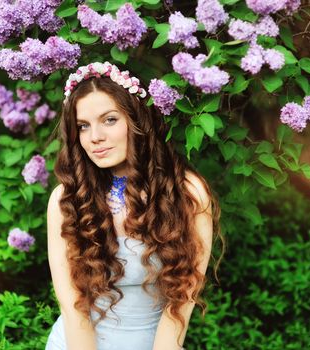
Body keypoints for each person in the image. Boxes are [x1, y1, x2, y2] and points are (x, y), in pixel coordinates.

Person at [45, 61, 222, 350]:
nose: (95, 137)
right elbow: (73, 306)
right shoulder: (66, 199)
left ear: (137, 120)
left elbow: (181, 302)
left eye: (110, 120)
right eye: (83, 126)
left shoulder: (187, 193)